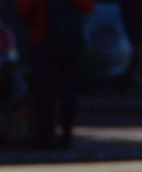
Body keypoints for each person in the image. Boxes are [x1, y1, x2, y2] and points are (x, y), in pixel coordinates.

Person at [16, 0, 94, 149]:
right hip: (69, 42)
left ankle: (46, 136)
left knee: (45, 91)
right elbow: (88, 7)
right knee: (67, 91)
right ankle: (65, 135)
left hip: (44, 40)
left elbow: (23, 8)